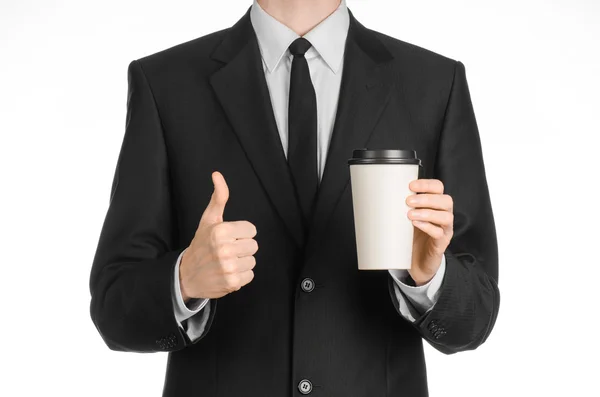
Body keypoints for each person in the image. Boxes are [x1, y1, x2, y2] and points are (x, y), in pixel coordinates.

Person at [89, 0, 500, 395]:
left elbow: (475, 318)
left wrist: (428, 277)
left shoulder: (433, 84)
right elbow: (113, 306)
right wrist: (184, 281)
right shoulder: (166, 83)